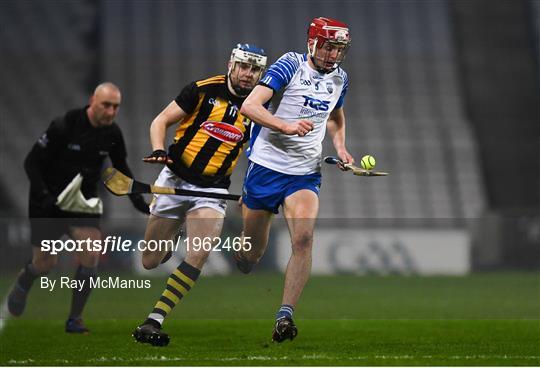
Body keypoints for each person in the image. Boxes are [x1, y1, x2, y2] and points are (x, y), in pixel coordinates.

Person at [132, 44, 267, 346]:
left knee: (200, 251)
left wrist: (252, 190)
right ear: (231, 64)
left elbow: (262, 154)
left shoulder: (260, 107)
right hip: (174, 178)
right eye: (244, 66)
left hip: (213, 188)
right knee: (151, 260)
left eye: (255, 69)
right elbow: (160, 121)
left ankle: (154, 320)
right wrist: (157, 149)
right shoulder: (202, 90)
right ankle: (174, 232)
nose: (249, 74)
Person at [233, 17, 354, 342]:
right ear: (312, 43)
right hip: (266, 168)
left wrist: (341, 148)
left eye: (338, 48)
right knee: (251, 255)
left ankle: (285, 315)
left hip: (304, 173)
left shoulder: (340, 79)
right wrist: (284, 126)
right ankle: (245, 244)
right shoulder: (290, 64)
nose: (332, 54)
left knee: (303, 239)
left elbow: (336, 117)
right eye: (327, 46)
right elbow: (250, 105)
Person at [7, 82, 149, 333]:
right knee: (44, 264)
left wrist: (136, 199)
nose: (111, 112)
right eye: (106, 105)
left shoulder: (112, 134)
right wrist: (43, 195)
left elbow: (121, 170)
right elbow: (31, 163)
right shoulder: (65, 125)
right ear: (93, 100)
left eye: (116, 107)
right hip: (48, 200)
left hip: (84, 201)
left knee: (92, 254)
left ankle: (75, 318)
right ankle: (25, 278)